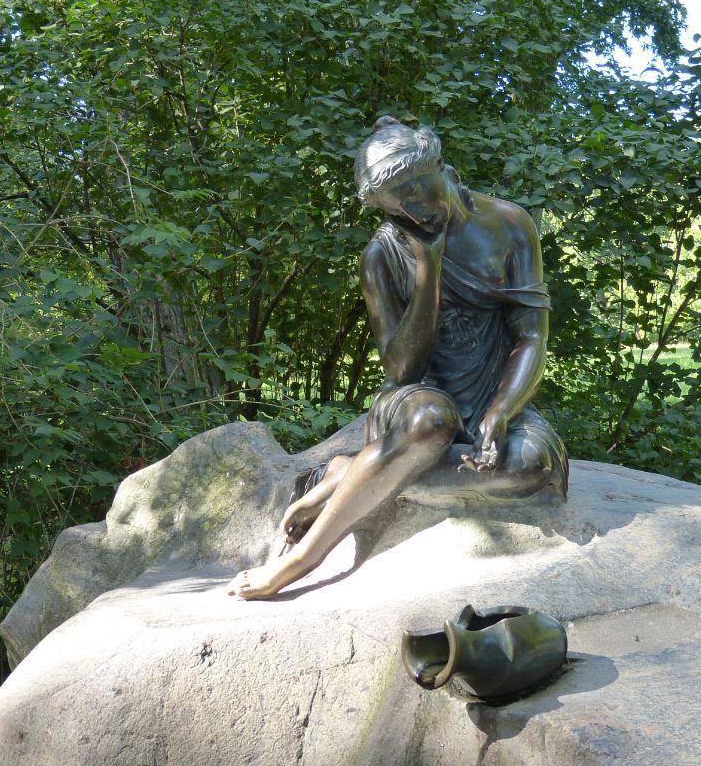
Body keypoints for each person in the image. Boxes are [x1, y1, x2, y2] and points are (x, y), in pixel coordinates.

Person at [228, 116, 567, 599]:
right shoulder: (382, 254)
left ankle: (356, 474)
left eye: (413, 189)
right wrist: (428, 265)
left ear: (439, 166)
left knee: (531, 466)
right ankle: (302, 559)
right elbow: (403, 370)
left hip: (492, 393)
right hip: (413, 404)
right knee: (432, 420)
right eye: (396, 208)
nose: (412, 209)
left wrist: (501, 411)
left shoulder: (511, 225)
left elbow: (531, 337)